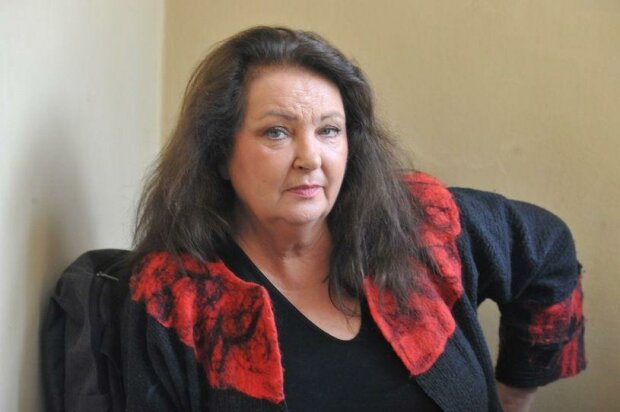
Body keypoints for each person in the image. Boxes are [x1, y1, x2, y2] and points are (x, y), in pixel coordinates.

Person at [121, 26, 585, 411]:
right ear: (220, 153)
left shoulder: (420, 224)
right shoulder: (173, 297)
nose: (311, 158)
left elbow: (549, 248)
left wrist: (516, 390)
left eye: (329, 130)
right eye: (277, 132)